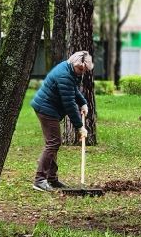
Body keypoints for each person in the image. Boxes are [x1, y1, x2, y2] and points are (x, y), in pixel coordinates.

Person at [30, 50, 94, 192]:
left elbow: (73, 90)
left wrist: (83, 102)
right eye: (80, 69)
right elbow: (69, 104)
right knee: (53, 142)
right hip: (46, 109)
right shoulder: (64, 75)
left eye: (84, 70)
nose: (81, 72)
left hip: (49, 108)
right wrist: (80, 126)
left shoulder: (70, 70)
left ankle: (52, 179)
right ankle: (39, 180)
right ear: (74, 64)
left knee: (53, 143)